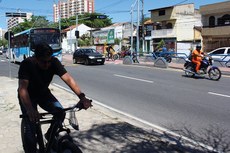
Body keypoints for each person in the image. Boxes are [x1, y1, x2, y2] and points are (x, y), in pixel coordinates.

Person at [18, 42, 92, 153]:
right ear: (35, 59)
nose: (47, 65)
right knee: (31, 126)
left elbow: (68, 79)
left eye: (49, 61)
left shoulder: (54, 62)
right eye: (44, 62)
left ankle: (49, 135)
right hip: (28, 96)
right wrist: (30, 109)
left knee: (60, 112)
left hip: (44, 94)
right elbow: (22, 89)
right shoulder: (27, 64)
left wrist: (82, 97)